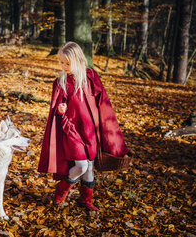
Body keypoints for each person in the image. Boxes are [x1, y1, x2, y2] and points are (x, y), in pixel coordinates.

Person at [38, 42, 129, 211]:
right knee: (81, 165)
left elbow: (102, 102)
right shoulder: (61, 82)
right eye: (61, 62)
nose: (64, 66)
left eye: (67, 63)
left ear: (78, 60)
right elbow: (59, 106)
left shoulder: (90, 77)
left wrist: (107, 130)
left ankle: (85, 200)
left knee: (89, 168)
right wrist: (60, 109)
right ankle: (61, 189)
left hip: (90, 130)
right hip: (72, 129)